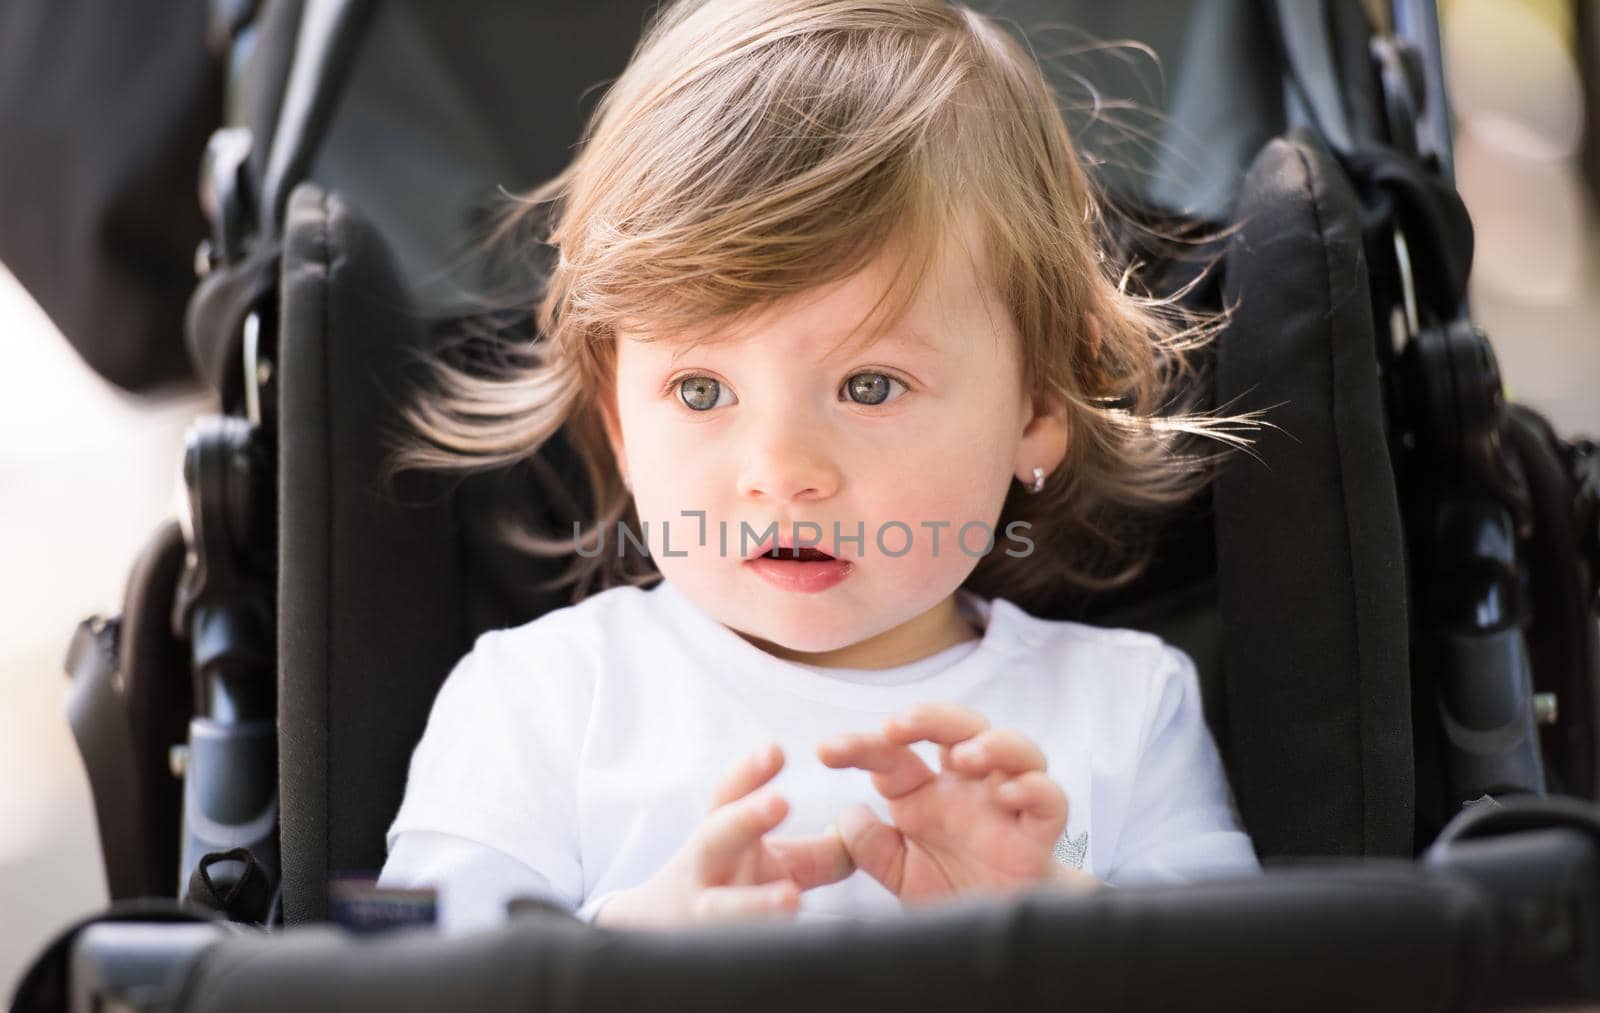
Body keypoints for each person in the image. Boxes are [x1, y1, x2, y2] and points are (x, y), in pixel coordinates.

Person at [377, 0, 1268, 934]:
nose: (780, 471)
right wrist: (625, 965)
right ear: (621, 426)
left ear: (1040, 404)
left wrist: (1068, 927)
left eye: (871, 386)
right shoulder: (543, 704)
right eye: (700, 391)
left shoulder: (1122, 712)